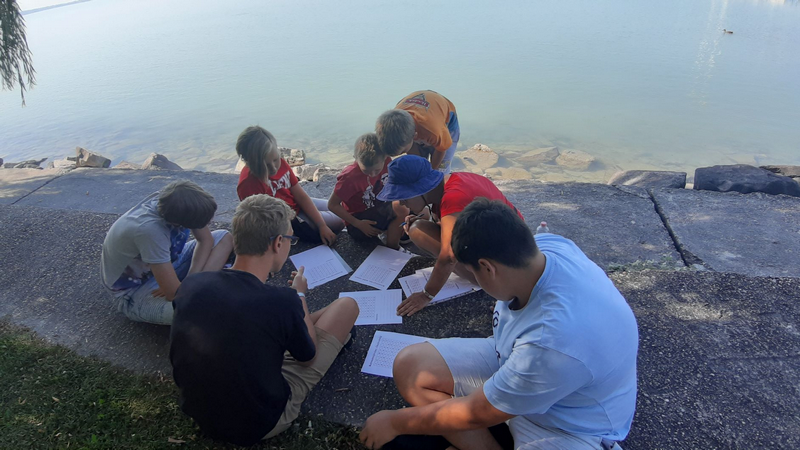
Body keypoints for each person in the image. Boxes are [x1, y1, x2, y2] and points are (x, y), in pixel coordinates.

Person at [360, 198, 639, 450]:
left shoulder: (550, 341)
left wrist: (396, 422)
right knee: (411, 366)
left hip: (567, 423)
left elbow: (478, 412)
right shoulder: (550, 246)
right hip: (511, 360)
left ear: (488, 268)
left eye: (473, 273)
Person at [169, 194, 359, 446]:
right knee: (347, 306)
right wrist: (299, 295)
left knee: (287, 323)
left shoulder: (191, 284)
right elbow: (307, 358)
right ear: (278, 243)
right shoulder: (281, 301)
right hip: (260, 422)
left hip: (201, 413)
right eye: (291, 239)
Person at [376, 155, 523, 317]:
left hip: (507, 264)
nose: (402, 203)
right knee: (417, 228)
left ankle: (494, 286)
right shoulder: (452, 181)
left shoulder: (453, 198)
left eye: (403, 197)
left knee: (420, 232)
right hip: (507, 244)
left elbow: (448, 257)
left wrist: (426, 295)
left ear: (419, 189)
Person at [100, 180, 233, 325]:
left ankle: (200, 285)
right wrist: (177, 288)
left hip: (166, 263)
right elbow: (173, 294)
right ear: (179, 221)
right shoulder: (150, 230)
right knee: (195, 310)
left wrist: (189, 281)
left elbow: (206, 240)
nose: (207, 225)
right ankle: (207, 285)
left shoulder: (173, 201)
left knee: (224, 238)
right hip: (135, 292)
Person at [236, 125, 345, 245]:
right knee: (340, 221)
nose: (273, 168)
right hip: (288, 219)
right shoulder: (248, 184)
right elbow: (262, 222)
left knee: (342, 210)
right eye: (266, 165)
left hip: (295, 203)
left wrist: (322, 225)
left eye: (275, 160)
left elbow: (300, 196)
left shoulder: (282, 163)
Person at [327, 133, 408, 249]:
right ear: (355, 159)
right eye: (366, 171)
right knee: (402, 210)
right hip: (360, 221)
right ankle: (393, 248)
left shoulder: (387, 161)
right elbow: (332, 204)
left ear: (385, 157)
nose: (372, 174)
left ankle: (391, 232)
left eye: (377, 170)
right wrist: (358, 224)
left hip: (379, 206)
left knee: (422, 212)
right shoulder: (349, 178)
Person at [376, 90, 459, 174]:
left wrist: (432, 171)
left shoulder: (433, 131)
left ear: (414, 136)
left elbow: (441, 149)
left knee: (441, 169)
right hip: (419, 113)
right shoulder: (386, 127)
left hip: (446, 119)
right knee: (417, 166)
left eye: (403, 152)